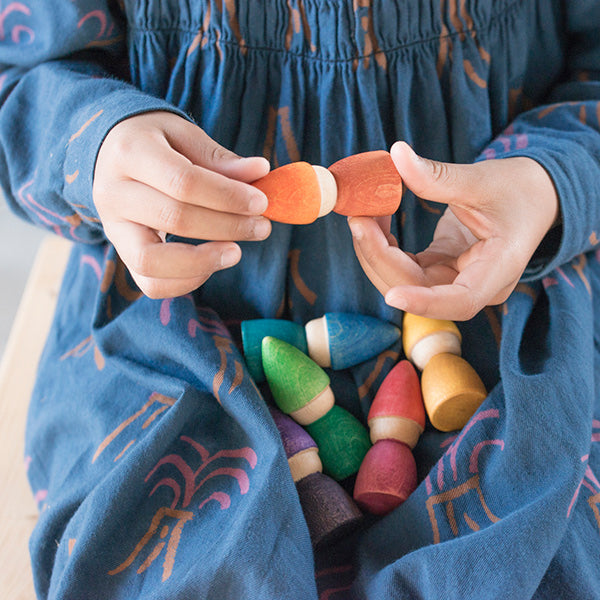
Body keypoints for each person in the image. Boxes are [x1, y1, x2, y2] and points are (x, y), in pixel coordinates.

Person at [1, 1, 599, 598]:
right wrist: (98, 144)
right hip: (176, 319)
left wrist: (551, 180)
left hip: (503, 289)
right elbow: (20, 81)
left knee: (527, 562)